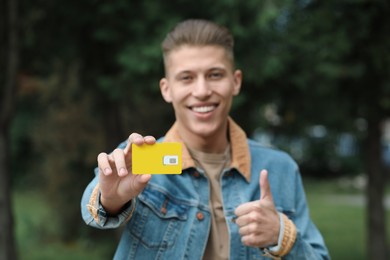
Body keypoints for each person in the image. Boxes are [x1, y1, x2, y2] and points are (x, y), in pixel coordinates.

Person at [81, 19, 330, 260]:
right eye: (186, 78)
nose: (201, 92)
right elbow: (92, 210)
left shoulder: (279, 168)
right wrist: (110, 200)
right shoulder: (142, 157)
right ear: (167, 89)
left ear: (236, 82)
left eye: (214, 75)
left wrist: (281, 236)